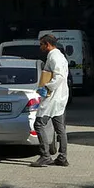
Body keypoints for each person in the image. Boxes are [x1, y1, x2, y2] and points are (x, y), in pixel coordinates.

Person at [31, 34, 70, 167]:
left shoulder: (54, 57)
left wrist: (47, 87)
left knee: (39, 124)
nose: (40, 47)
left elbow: (58, 76)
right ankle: (62, 157)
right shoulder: (59, 56)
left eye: (41, 44)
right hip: (60, 97)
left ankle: (45, 156)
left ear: (47, 44)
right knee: (60, 128)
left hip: (53, 96)